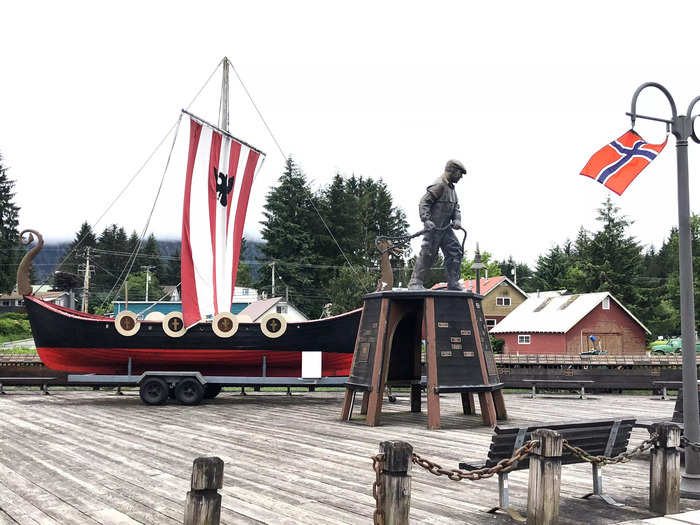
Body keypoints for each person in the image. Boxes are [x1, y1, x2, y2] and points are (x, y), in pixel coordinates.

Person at [408, 159, 466, 290]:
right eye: (460, 173)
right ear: (452, 171)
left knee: (455, 252)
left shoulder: (452, 189)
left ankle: (453, 282)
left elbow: (456, 208)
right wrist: (426, 220)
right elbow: (424, 203)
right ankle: (415, 282)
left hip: (446, 230)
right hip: (434, 229)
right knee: (428, 253)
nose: (461, 177)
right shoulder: (439, 185)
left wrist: (457, 219)